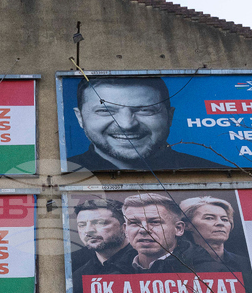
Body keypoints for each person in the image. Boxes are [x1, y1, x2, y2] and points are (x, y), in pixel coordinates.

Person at [67, 77, 224, 171]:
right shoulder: (65, 173)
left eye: (145, 110)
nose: (127, 124)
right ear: (80, 118)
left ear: (169, 117)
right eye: (106, 111)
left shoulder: (216, 170)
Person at [179, 196, 252, 293]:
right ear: (187, 225)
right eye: (209, 218)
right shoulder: (176, 263)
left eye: (225, 219)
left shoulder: (247, 265)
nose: (220, 223)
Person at [122, 194, 221, 274]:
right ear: (125, 230)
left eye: (155, 222)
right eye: (134, 223)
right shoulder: (111, 271)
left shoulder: (211, 272)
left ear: (178, 229)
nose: (143, 230)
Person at [73, 198, 135, 277]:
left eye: (100, 223)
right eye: (82, 225)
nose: (88, 231)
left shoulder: (147, 264)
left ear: (124, 227)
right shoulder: (78, 276)